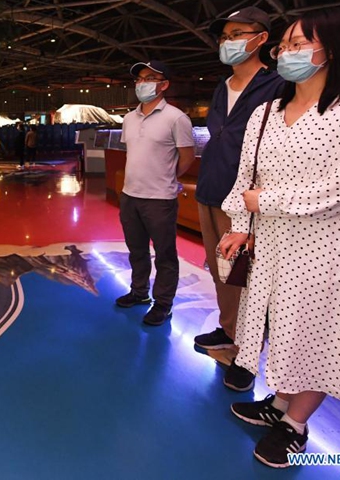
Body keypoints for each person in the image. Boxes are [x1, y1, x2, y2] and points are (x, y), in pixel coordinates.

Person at [218, 9, 340, 468]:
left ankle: (295, 423)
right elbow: (246, 177)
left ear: (331, 49)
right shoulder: (265, 112)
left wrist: (263, 203)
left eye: (298, 44)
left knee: (315, 332)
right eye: (284, 46)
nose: (286, 53)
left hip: (321, 244)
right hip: (270, 242)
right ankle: (279, 403)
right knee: (280, 326)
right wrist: (239, 223)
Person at [193, 6, 285, 392]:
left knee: (251, 276)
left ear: (260, 38)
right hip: (211, 190)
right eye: (224, 37)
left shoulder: (277, 85)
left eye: (236, 34)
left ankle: (249, 351)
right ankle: (230, 329)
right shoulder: (222, 86)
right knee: (223, 271)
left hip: (247, 201)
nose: (227, 42)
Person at [116, 60, 195, 326]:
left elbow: (186, 156)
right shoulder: (129, 118)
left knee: (165, 254)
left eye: (149, 78)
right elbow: (133, 153)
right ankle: (139, 291)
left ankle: (163, 303)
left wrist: (168, 176)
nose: (142, 83)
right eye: (139, 79)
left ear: (164, 85)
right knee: (136, 250)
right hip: (130, 195)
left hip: (160, 199)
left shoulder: (176, 118)